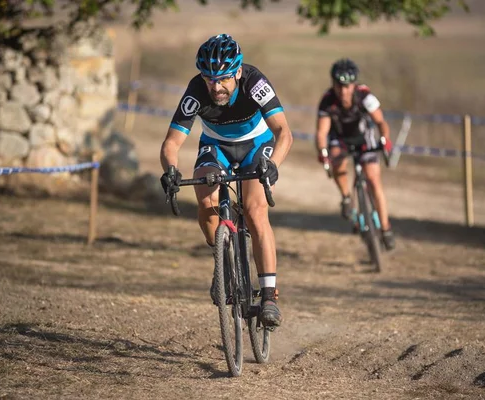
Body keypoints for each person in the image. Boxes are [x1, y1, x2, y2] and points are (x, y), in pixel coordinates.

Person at [159, 34, 293, 328]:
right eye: (209, 79)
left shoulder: (254, 82)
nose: (216, 87)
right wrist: (170, 170)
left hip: (257, 145)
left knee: (256, 211)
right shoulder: (197, 90)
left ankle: (269, 295)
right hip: (216, 147)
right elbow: (171, 143)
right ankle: (222, 259)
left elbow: (284, 131)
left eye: (222, 80)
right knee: (205, 198)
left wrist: (273, 165)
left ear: (238, 72)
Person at [315, 58, 396, 251]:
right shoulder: (327, 101)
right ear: (333, 83)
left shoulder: (364, 95)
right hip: (340, 138)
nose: (344, 91)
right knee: (336, 159)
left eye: (348, 86)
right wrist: (323, 152)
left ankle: (385, 228)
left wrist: (385, 139)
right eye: (339, 86)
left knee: (374, 180)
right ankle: (346, 197)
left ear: (354, 84)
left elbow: (381, 122)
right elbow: (322, 133)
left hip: (363, 138)